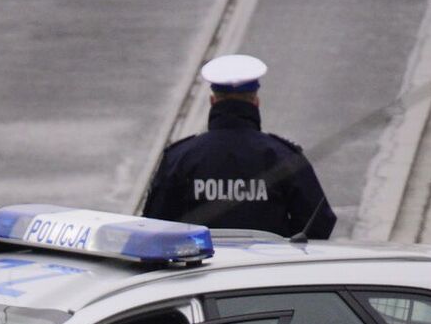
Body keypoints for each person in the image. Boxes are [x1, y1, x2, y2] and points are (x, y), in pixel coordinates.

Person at [142, 53, 338, 239]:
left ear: (213, 101)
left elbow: (155, 227)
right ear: (256, 102)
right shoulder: (283, 156)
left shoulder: (180, 157)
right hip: (266, 270)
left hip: (196, 271)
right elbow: (319, 223)